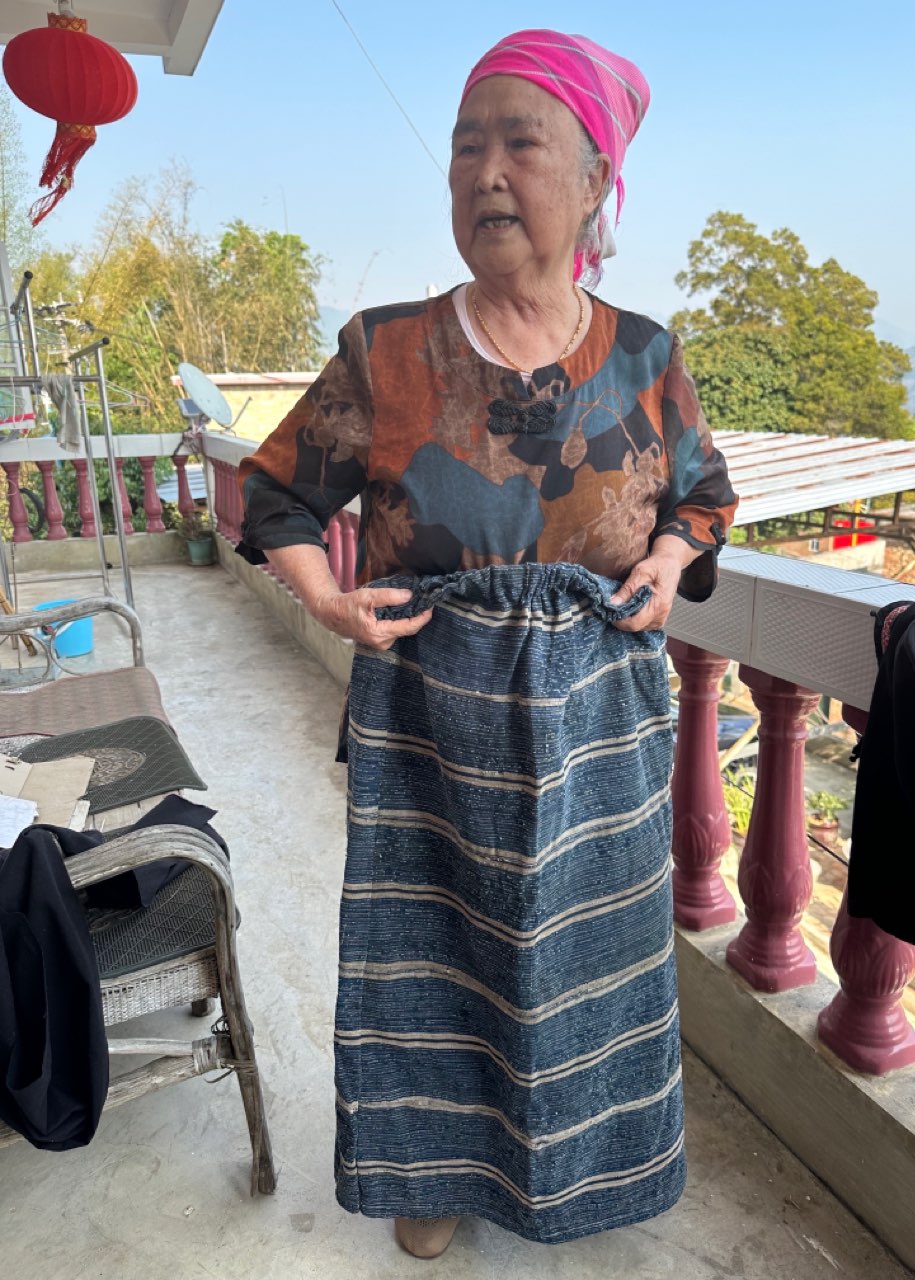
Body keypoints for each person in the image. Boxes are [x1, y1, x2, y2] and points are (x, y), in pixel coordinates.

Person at [238, 29, 738, 1259]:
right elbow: (275, 496)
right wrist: (329, 601)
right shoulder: (386, 350)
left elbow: (704, 495)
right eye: (469, 147)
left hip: (602, 731)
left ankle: (590, 1174)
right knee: (429, 961)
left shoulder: (646, 354)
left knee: (592, 964)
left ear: (596, 180)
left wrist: (669, 559)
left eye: (523, 143)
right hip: (431, 727)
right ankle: (433, 1174)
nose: (487, 173)